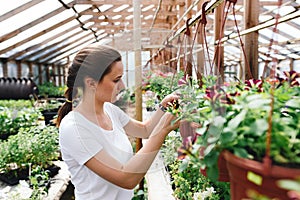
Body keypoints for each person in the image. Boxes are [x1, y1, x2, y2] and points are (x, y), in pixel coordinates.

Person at [56, 43, 180, 200]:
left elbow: (145, 130)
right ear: (91, 83)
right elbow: (126, 178)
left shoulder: (109, 110)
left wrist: (163, 107)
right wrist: (162, 130)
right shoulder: (74, 129)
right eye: (116, 80)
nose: (122, 86)